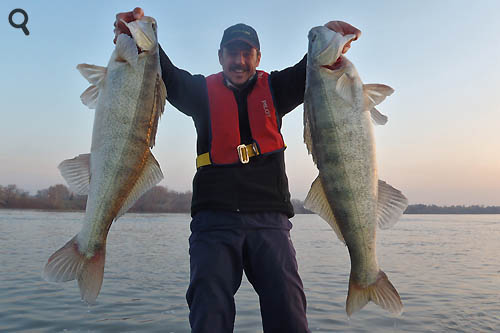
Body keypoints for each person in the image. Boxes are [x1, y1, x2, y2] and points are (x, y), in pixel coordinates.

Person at [114, 8, 361, 333]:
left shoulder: (276, 88)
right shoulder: (200, 92)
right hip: (213, 224)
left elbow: (314, 67)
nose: (240, 60)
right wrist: (135, 37)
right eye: (233, 53)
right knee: (209, 314)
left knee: (288, 312)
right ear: (220, 56)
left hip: (270, 223)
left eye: (247, 53)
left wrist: (331, 39)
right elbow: (166, 73)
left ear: (258, 56)